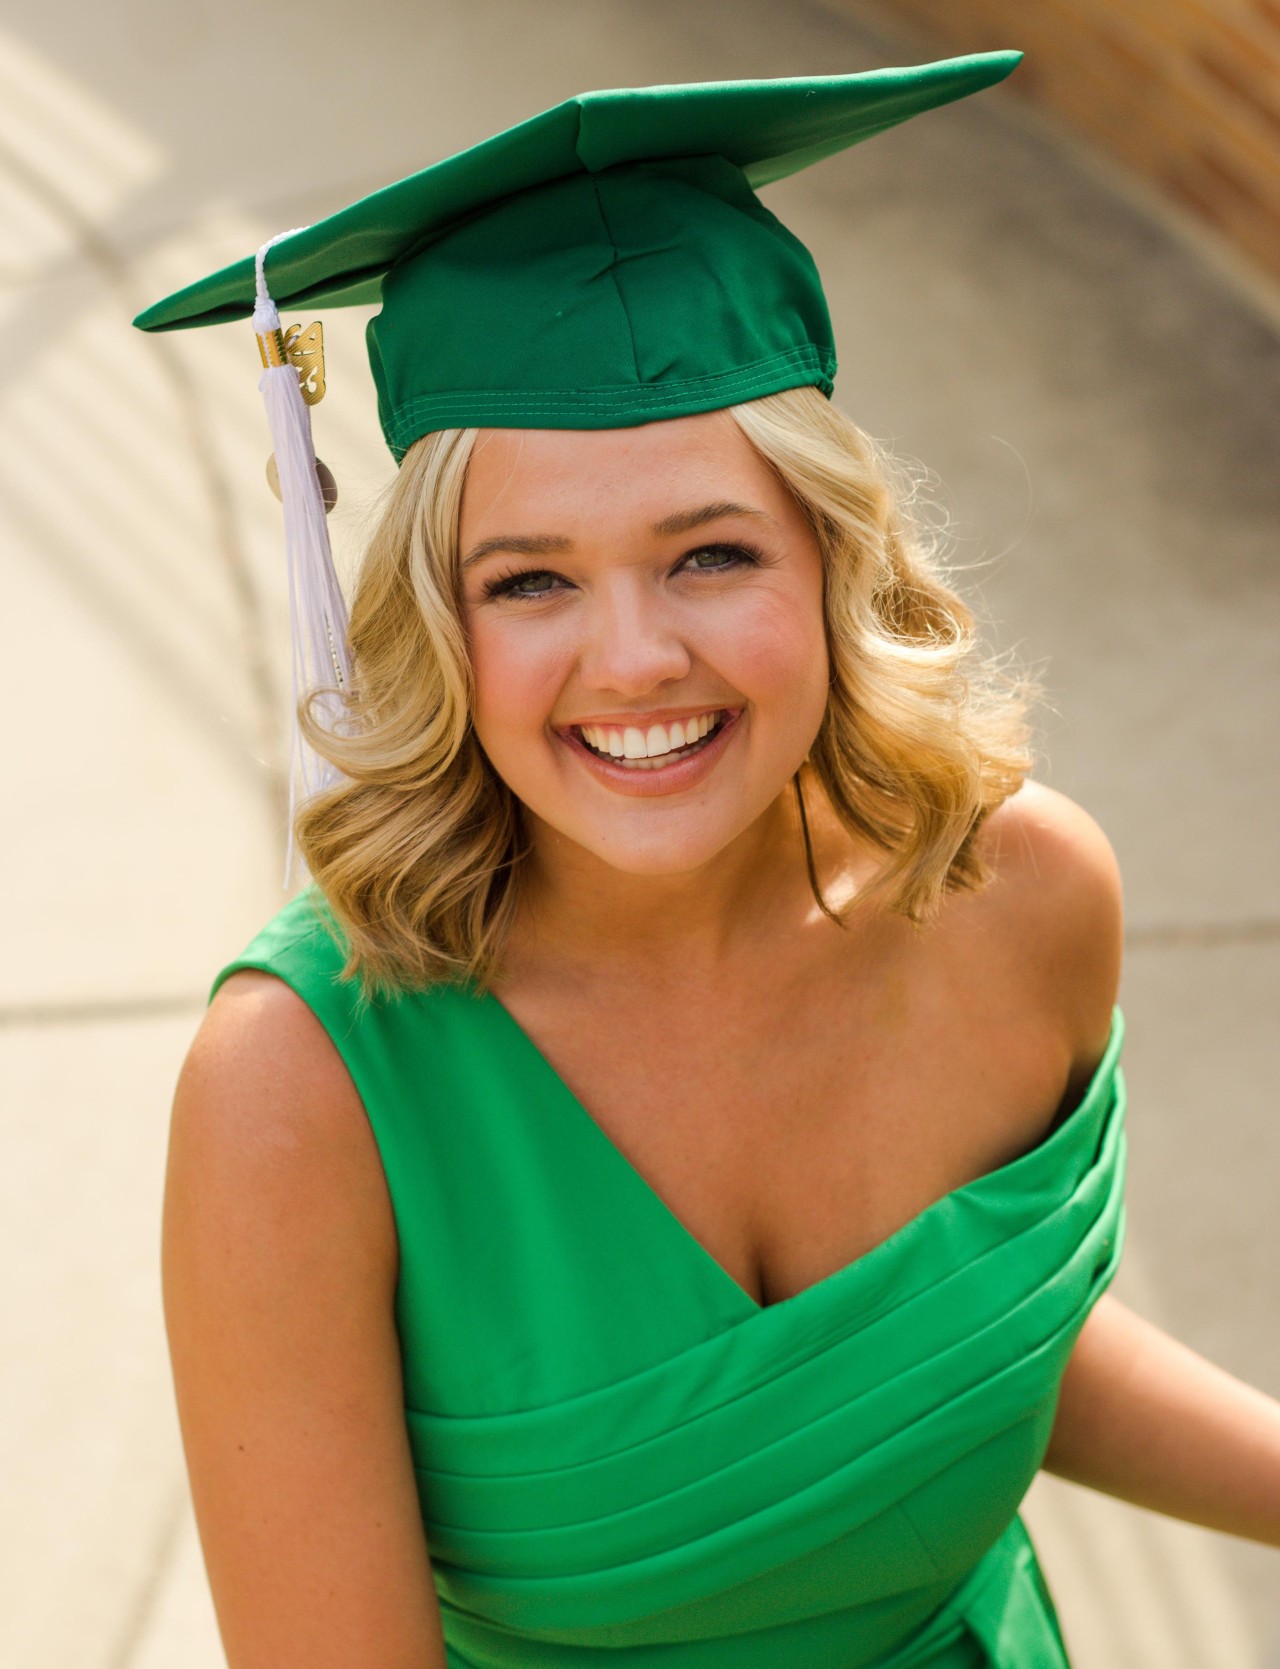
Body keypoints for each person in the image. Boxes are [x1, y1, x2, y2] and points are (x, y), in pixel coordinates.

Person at [136, 52, 1280, 1669]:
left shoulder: (1016, 897)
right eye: (529, 581)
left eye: (711, 553)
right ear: (437, 625)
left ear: (834, 554)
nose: (634, 658)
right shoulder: (304, 1095)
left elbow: (970, 1343)